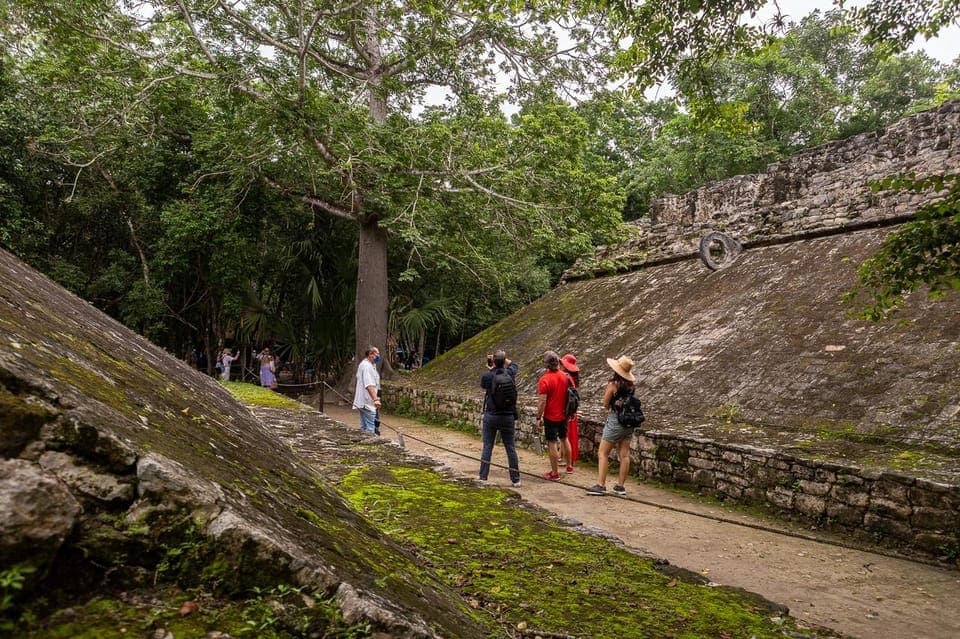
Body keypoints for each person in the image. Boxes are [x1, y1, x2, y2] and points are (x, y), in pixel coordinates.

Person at [586, 356, 638, 497]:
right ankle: (620, 486)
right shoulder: (631, 386)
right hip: (628, 422)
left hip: (615, 421)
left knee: (603, 453)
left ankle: (601, 485)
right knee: (624, 454)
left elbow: (605, 403)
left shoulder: (613, 385)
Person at [478, 349, 522, 487]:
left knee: (488, 446)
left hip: (491, 415)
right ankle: (515, 479)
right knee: (510, 447)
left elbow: (484, 385)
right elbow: (514, 365)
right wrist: (504, 360)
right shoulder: (510, 373)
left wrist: (492, 368)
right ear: (504, 362)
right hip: (508, 416)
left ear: (493, 362)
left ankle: (483, 476)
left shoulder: (488, 376)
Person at [535, 350, 571, 481]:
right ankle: (569, 466)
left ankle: (555, 473)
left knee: (552, 443)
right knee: (564, 438)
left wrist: (538, 417)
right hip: (563, 415)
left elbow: (542, 401)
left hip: (551, 416)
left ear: (546, 365)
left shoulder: (544, 379)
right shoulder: (565, 376)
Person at [352, 346, 381, 434]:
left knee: (364, 426)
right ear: (370, 354)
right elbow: (369, 385)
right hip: (367, 401)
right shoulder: (366, 366)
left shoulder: (370, 365)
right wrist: (375, 399)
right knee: (370, 427)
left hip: (366, 401)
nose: (378, 356)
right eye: (377, 354)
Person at [560, 353, 580, 473]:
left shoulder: (566, 377)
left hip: (567, 410)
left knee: (566, 436)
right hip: (572, 410)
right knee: (568, 435)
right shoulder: (573, 378)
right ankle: (564, 458)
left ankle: (567, 460)